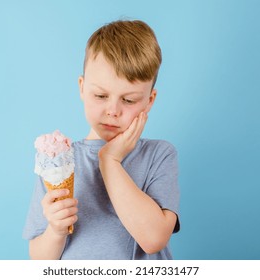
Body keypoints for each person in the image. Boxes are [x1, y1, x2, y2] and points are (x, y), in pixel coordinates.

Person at [23, 19, 180, 260]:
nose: (113, 110)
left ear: (149, 101)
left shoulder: (158, 155)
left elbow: (153, 239)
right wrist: (55, 230)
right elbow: (39, 261)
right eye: (100, 95)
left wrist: (110, 160)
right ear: (82, 88)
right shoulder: (59, 162)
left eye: (128, 100)